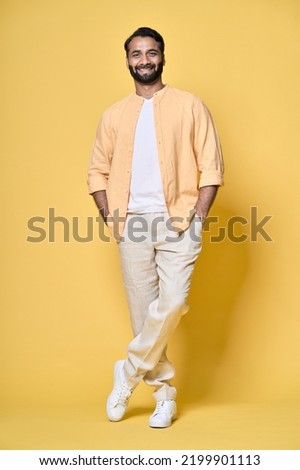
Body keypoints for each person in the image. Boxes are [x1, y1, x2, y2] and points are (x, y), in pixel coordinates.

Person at [88, 27, 224, 428]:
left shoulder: (190, 106)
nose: (144, 60)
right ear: (127, 60)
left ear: (163, 57)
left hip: (179, 220)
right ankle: (164, 396)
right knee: (142, 313)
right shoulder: (113, 115)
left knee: (175, 301)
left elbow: (212, 165)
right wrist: (111, 214)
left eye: (151, 53)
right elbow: (97, 171)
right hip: (131, 224)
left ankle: (126, 372)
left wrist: (198, 216)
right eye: (136, 54)